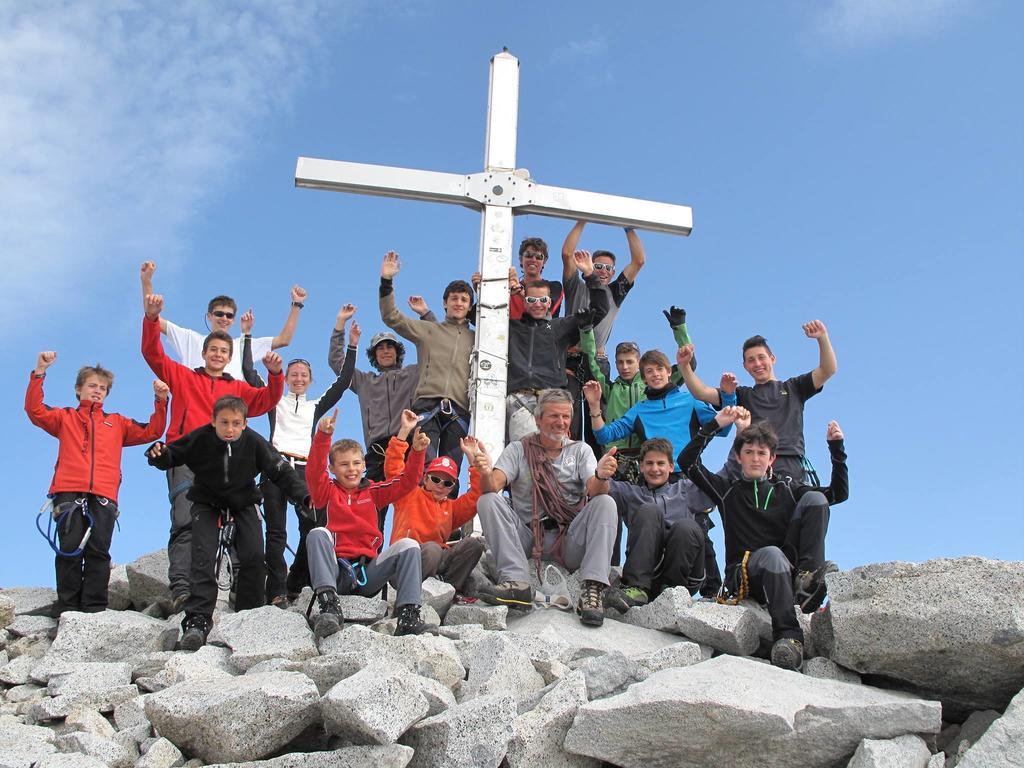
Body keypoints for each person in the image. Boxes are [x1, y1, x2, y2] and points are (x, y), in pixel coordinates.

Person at [141, 293, 285, 611]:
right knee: (185, 522)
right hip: (187, 458)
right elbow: (152, 354)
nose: (218, 355)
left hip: (228, 461)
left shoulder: (237, 389)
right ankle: (182, 590)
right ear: (204, 353)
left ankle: (238, 591)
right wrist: (151, 320)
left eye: (223, 351)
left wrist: (276, 376)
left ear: (228, 356)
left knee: (236, 522)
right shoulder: (183, 376)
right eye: (213, 350)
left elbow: (265, 402)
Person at [678, 407, 848, 670]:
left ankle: (806, 580)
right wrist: (714, 424)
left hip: (784, 573)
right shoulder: (727, 491)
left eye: (761, 453)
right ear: (739, 456)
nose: (755, 459)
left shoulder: (788, 489)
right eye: (749, 453)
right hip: (744, 576)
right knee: (772, 554)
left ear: (772, 458)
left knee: (815, 499)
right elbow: (687, 462)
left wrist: (837, 450)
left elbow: (837, 494)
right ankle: (789, 638)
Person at [146, 396, 310, 650]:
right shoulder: (201, 438)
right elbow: (172, 455)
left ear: (245, 424)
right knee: (203, 557)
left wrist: (303, 496)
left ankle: (250, 615)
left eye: (236, 423)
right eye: (224, 423)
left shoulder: (255, 442)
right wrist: (158, 455)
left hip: (244, 502)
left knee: (254, 556)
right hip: (206, 502)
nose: (230, 429)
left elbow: (280, 470)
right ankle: (198, 620)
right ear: (213, 421)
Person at [25, 352, 169, 615]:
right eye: (92, 386)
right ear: (78, 389)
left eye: (103, 388)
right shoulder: (64, 417)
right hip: (68, 490)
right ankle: (68, 608)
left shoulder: (117, 423)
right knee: (69, 550)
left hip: (104, 493)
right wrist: (40, 371)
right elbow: (34, 410)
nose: (97, 391)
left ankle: (94, 609)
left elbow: (152, 431)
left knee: (99, 551)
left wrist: (161, 400)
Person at [474, 389, 619, 626]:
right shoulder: (518, 449)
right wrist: (485, 472)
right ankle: (516, 583)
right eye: (553, 416)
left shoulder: (580, 450)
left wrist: (601, 476)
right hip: (528, 536)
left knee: (606, 502)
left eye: (565, 417)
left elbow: (596, 489)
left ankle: (592, 591)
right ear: (538, 419)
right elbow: (493, 486)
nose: (560, 423)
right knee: (487, 500)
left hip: (569, 539)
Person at [239, 318, 358, 606]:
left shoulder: (314, 406)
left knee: (313, 528)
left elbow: (343, 383)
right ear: (287, 377)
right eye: (293, 374)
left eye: (304, 375)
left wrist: (352, 345)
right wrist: (246, 336)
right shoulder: (274, 401)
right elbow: (248, 372)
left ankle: (297, 581)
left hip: (306, 470)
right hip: (275, 467)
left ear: (310, 380)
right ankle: (276, 591)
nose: (298, 379)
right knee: (276, 532)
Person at [304, 408, 435, 639]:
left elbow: (407, 482)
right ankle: (329, 607)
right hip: (336, 572)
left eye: (356, 463)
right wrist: (323, 437)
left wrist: (417, 452)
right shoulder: (327, 491)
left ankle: (408, 617)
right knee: (317, 533)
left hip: (368, 573)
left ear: (364, 465)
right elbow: (314, 472)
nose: (351, 469)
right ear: (333, 469)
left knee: (409, 545)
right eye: (344, 465)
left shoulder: (374, 492)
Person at [676, 320, 838, 482]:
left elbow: (827, 370)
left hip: (791, 463)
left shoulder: (794, 387)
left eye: (761, 357)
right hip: (755, 465)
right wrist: (684, 366)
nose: (757, 364)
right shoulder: (742, 394)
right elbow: (702, 392)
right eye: (751, 360)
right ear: (745, 366)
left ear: (772, 359)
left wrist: (822, 337)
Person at [328, 300, 434, 532]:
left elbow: (432, 346)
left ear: (397, 352)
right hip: (377, 453)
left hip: (406, 446)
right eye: (380, 348)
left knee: (415, 504)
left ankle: (417, 557)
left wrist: (426, 315)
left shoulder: (412, 374)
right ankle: (371, 562)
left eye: (390, 347)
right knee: (371, 512)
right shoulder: (364, 381)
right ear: (374, 355)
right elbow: (337, 364)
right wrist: (340, 325)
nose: (386, 351)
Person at [378, 251, 475, 468]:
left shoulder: (479, 340)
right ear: (444, 303)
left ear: (470, 307)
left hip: (459, 412)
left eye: (464, 299)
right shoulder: (429, 330)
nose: (458, 303)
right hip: (426, 407)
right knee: (425, 468)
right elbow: (391, 317)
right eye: (454, 299)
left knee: (450, 472)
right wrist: (387, 281)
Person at [139, 261, 306, 380]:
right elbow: (154, 318)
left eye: (229, 315)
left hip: (229, 418)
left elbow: (284, 340)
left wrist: (296, 304)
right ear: (209, 316)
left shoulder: (243, 345)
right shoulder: (191, 339)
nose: (224, 318)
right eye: (219, 314)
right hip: (196, 412)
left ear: (233, 320)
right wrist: (146, 282)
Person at [600, 438, 714, 612]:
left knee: (685, 526)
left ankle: (671, 594)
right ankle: (636, 588)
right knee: (648, 510)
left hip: (686, 574)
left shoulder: (686, 490)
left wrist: (737, 431)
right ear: (641, 466)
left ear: (670, 466)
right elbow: (595, 489)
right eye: (649, 463)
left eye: (661, 463)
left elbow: (725, 480)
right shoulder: (631, 493)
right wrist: (600, 473)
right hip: (650, 572)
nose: (655, 469)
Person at [505, 251, 607, 442]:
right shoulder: (512, 328)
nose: (538, 304)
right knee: (528, 460)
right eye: (532, 300)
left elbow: (600, 310)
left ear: (550, 303)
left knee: (555, 463)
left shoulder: (560, 327)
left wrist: (590, 275)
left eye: (543, 300)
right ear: (524, 302)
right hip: (520, 399)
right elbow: (482, 317)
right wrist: (481, 286)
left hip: (552, 397)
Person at [384, 409, 485, 599]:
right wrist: (404, 432)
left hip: (436, 560)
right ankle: (413, 597)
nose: (440, 485)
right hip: (403, 565)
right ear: (425, 478)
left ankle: (446, 593)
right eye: (435, 479)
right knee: (432, 549)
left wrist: (473, 462)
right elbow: (393, 468)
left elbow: (476, 497)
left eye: (447, 483)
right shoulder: (407, 494)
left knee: (473, 545)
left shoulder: (451, 508)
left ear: (453, 486)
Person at [584, 348, 736, 471]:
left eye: (659, 369)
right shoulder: (639, 410)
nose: (655, 374)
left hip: (689, 477)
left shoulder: (691, 401)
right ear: (644, 378)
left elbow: (722, 430)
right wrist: (594, 405)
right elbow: (603, 436)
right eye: (649, 371)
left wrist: (729, 396)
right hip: (655, 479)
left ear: (669, 372)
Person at [580, 306, 696, 457]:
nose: (625, 367)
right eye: (620, 362)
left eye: (629, 362)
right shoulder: (609, 388)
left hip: (648, 452)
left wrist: (679, 328)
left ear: (639, 362)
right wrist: (586, 330)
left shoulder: (653, 384)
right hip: (616, 452)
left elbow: (688, 365)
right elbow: (591, 365)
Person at [560, 221, 646, 374]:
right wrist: (583, 219)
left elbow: (638, 261)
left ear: (613, 272)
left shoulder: (615, 292)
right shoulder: (575, 285)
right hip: (570, 357)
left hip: (597, 360)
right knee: (566, 398)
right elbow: (567, 254)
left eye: (608, 268)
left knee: (599, 398)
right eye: (598, 266)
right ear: (590, 265)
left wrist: (628, 227)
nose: (603, 271)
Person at [507, 236, 564, 320]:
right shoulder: (508, 289)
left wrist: (519, 292)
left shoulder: (554, 287)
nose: (533, 260)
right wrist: (481, 285)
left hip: (543, 332)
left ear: (544, 262)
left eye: (538, 257)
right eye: (528, 255)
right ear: (520, 259)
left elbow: (546, 310)